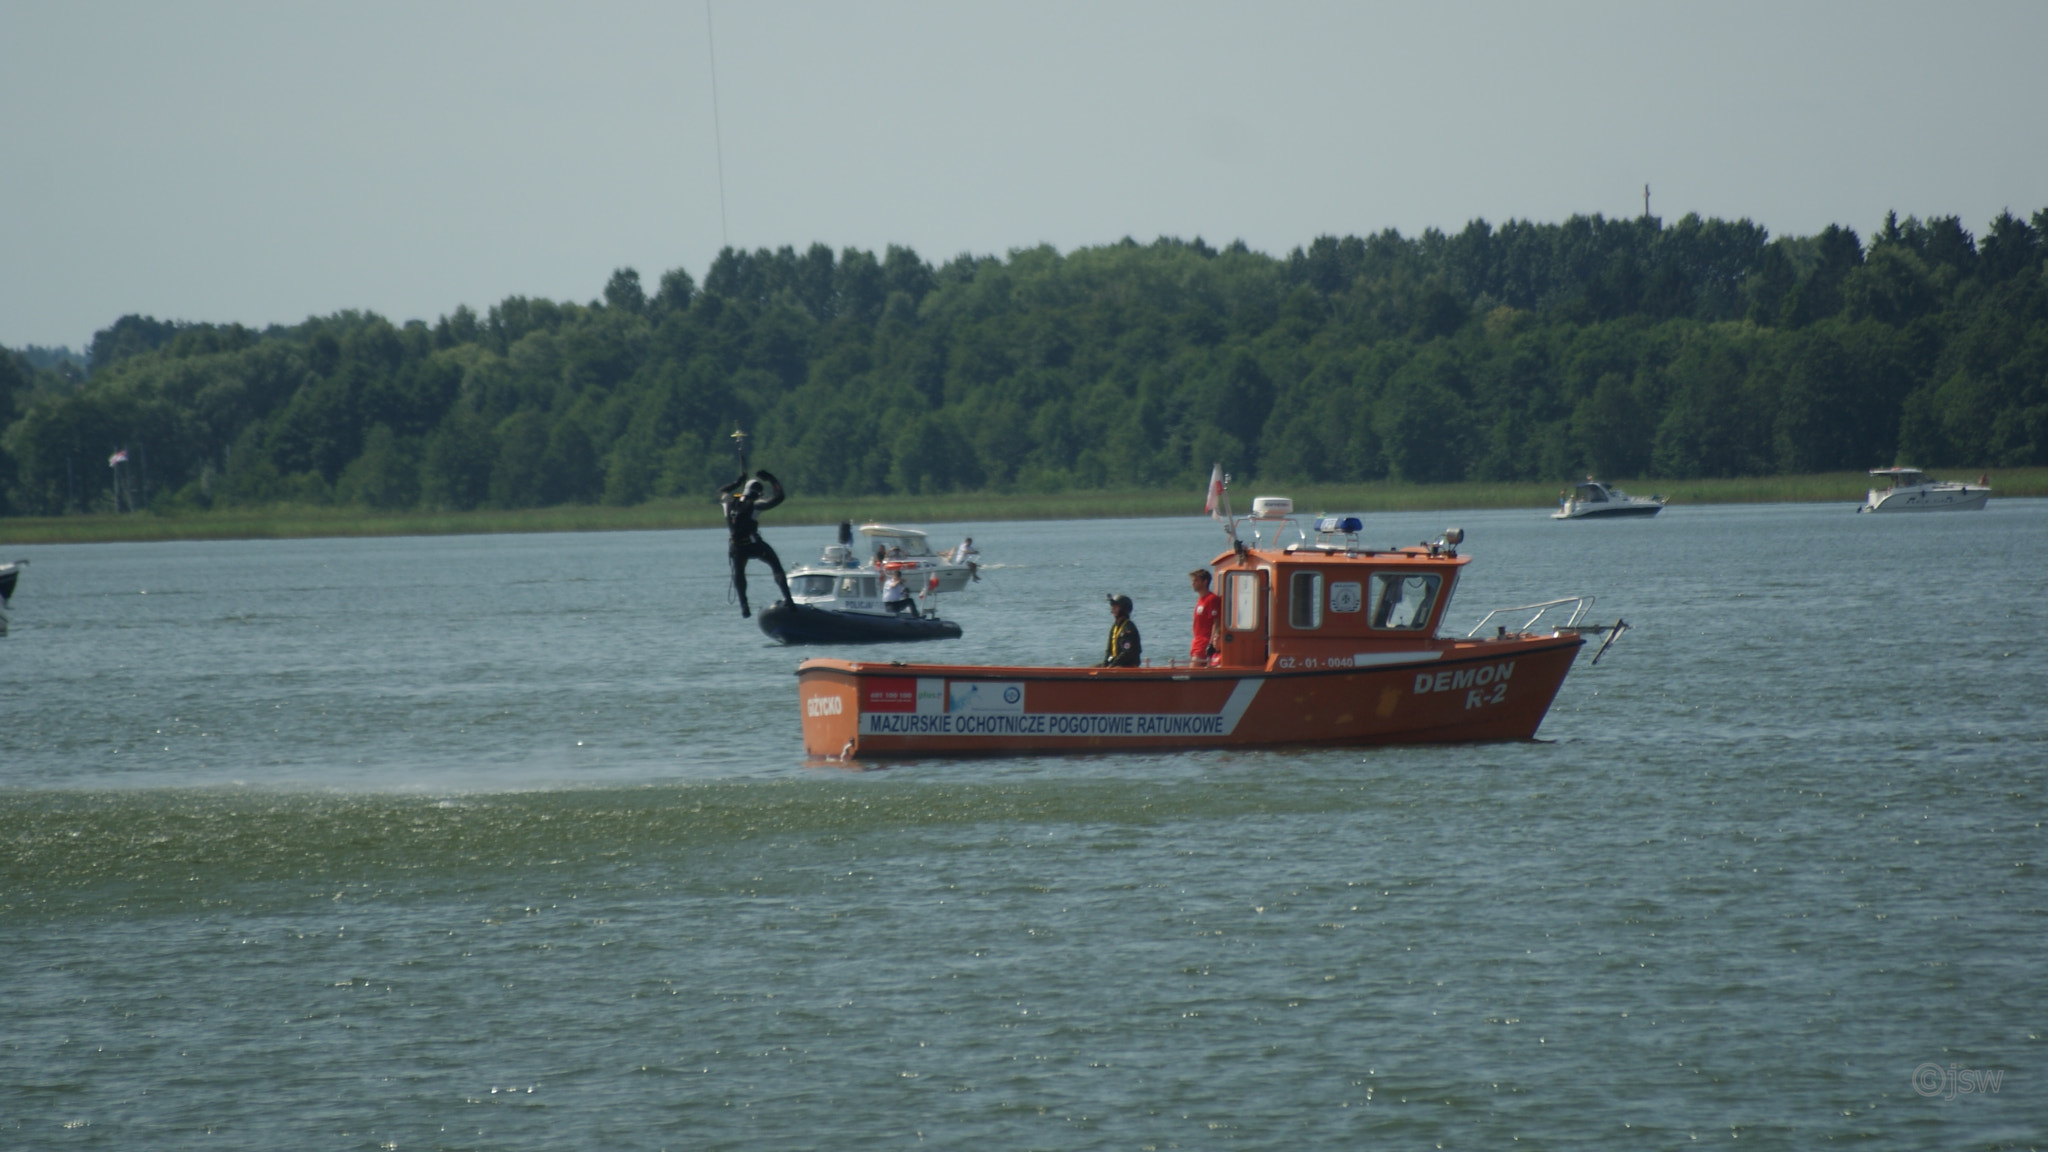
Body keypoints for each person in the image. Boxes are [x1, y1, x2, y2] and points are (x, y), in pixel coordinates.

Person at [717, 469, 791, 618]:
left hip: (736, 547)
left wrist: (737, 482)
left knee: (739, 571)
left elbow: (721, 491)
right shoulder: (755, 504)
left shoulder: (728, 501)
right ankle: (789, 600)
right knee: (775, 564)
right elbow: (779, 497)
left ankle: (744, 606)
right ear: (757, 493)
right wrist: (771, 478)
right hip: (753, 545)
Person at [1188, 568, 1222, 665]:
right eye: (1192, 580)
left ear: (1205, 582)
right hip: (1197, 641)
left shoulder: (1211, 599)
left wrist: (1211, 644)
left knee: (1193, 671)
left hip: (1204, 642)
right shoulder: (1200, 599)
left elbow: (1216, 623)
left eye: (1196, 580)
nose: (1193, 583)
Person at [1102, 593, 1142, 667]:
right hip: (1116, 664)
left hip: (1127, 665)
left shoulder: (1128, 628)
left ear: (1123, 609)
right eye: (1112, 607)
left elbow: (1127, 653)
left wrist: (1112, 666)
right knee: (1093, 668)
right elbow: (1109, 650)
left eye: (1115, 607)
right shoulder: (1115, 627)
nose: (1112, 609)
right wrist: (1105, 665)